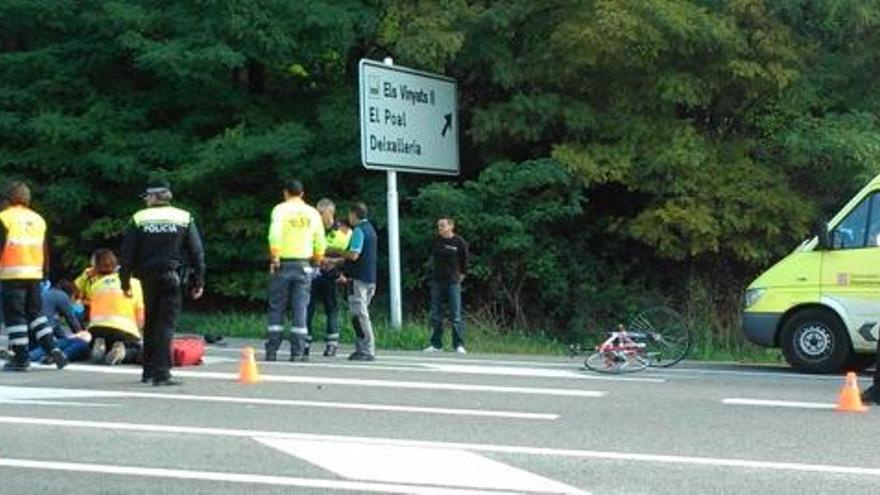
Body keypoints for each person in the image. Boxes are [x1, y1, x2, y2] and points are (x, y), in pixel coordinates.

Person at [120, 178, 205, 385]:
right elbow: (197, 253)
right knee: (165, 325)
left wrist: (125, 282)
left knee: (150, 323)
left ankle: (148, 371)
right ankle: (162, 373)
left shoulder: (139, 218)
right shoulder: (183, 217)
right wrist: (199, 281)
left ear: (154, 196)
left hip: (146, 277)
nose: (146, 200)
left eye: (147, 197)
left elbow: (127, 254)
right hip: (172, 277)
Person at [0, 181, 67, 371]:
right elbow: (45, 249)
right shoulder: (38, 219)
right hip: (34, 273)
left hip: (11, 274)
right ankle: (52, 348)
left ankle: (21, 358)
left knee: (15, 317)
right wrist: (45, 272)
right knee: (35, 314)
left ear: (8, 198)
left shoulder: (4, 218)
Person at [265, 179, 326, 362]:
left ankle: (272, 350)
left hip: (283, 263)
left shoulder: (280, 210)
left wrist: (275, 258)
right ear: (302, 194)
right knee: (301, 307)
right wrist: (316, 262)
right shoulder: (313, 213)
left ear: (285, 193)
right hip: (304, 265)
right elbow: (320, 241)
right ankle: (297, 351)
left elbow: (274, 235)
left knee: (277, 306)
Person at [305, 199, 352, 358]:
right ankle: (305, 343)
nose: (318, 216)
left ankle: (332, 344)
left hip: (334, 274)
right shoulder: (310, 229)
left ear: (330, 213)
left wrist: (334, 262)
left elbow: (351, 256)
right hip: (313, 271)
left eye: (321, 213)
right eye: (317, 213)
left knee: (331, 308)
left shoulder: (344, 231)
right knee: (307, 308)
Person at [84, 249, 145, 366]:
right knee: (137, 350)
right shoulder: (135, 283)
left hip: (97, 329)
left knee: (103, 343)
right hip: (123, 330)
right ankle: (122, 353)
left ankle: (100, 345)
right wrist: (138, 335)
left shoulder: (96, 285)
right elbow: (140, 318)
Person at [334, 202, 378, 361]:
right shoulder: (371, 230)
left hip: (358, 280)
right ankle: (361, 348)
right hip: (370, 278)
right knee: (359, 315)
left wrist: (335, 250)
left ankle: (367, 350)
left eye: (349, 214)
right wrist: (338, 262)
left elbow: (354, 255)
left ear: (354, 214)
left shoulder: (359, 230)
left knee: (359, 315)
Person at [423, 217, 470, 354]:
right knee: (436, 314)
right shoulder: (436, 241)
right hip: (437, 281)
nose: (440, 228)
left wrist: (461, 275)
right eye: (438, 226)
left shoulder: (459, 242)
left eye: (443, 225)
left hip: (453, 281)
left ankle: (458, 345)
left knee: (455, 314)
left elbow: (465, 260)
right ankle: (436, 344)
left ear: (451, 226)